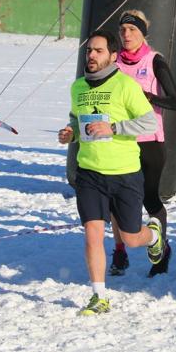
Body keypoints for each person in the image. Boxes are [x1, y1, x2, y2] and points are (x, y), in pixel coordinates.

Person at [58, 30, 166, 315]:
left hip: (124, 173)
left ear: (113, 56)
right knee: (93, 234)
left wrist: (114, 128)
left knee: (131, 238)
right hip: (89, 172)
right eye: (89, 51)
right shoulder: (78, 87)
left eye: (98, 51)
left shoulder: (126, 86)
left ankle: (153, 236)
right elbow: (76, 120)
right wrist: (70, 133)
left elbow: (149, 124)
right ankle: (99, 296)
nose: (91, 56)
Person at [110, 10, 176, 277]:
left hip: (149, 141)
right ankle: (120, 252)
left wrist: (147, 96)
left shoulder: (154, 61)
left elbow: (175, 101)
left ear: (142, 34)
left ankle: (160, 254)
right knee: (114, 199)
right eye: (123, 30)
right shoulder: (113, 62)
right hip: (119, 140)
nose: (126, 35)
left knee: (150, 199)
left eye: (132, 30)